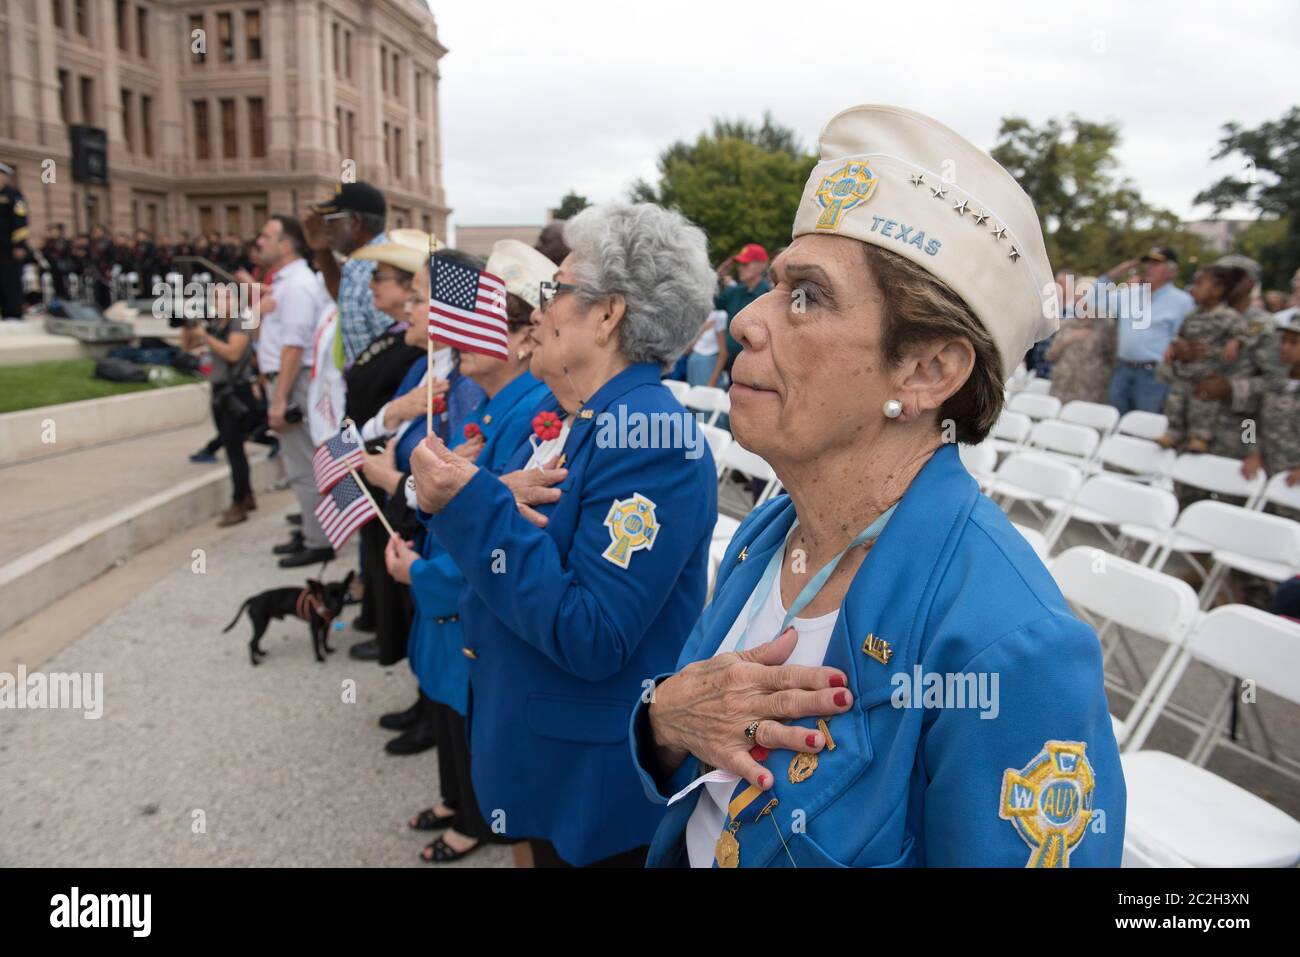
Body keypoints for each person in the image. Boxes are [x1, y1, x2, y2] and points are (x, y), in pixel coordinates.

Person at [631, 104, 1124, 868]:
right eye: (770, 287)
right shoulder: (775, 535)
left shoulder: (1008, 642)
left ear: (928, 369)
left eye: (806, 296)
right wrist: (662, 717)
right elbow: (702, 773)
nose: (745, 324)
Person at [409, 203, 719, 867]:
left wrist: (476, 506)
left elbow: (593, 632)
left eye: (556, 290)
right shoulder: (602, 416)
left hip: (595, 784)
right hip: (558, 756)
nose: (539, 309)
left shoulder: (648, 438)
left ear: (608, 313)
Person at [381, 240, 556, 863]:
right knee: (453, 716)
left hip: (467, 595)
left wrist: (426, 571)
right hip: (454, 593)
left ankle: (480, 818)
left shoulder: (538, 412)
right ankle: (461, 803)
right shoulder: (489, 405)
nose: (456, 335)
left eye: (482, 321)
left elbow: (509, 524)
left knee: (472, 723)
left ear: (520, 339)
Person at [339, 231, 431, 664]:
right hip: (373, 459)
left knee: (400, 560)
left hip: (393, 470)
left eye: (382, 276)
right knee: (380, 553)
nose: (372, 284)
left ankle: (393, 639)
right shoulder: (398, 338)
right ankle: (388, 635)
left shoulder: (413, 350)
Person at [252, 214, 335, 568]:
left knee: (304, 466)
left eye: (266, 236)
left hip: (294, 380)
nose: (259, 242)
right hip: (285, 377)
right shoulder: (283, 285)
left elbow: (294, 347)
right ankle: (310, 529)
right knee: (299, 463)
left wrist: (281, 398)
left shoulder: (298, 284)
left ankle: (319, 540)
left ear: (285, 245)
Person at [1191, 255, 1291, 462]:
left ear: (1248, 283)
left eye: (1228, 276)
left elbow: (1278, 382)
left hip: (1241, 431)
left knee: (1232, 490)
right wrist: (1178, 359)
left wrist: (1231, 387)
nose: (1220, 282)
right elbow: (1170, 374)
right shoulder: (1201, 317)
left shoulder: (1265, 327)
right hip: (1194, 427)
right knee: (1185, 490)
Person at [1155, 264, 1248, 453]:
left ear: (1218, 290)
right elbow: (1180, 336)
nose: (1193, 288)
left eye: (1199, 283)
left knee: (1203, 406)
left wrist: (1236, 342)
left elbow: (1242, 334)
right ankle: (1173, 432)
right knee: (1176, 402)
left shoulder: (1229, 317)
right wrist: (1173, 348)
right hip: (1185, 372)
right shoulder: (1192, 316)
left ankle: (1200, 436)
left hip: (1208, 375)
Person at [1093, 247, 1195, 414]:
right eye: (1147, 263)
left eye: (1156, 264)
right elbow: (1091, 303)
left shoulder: (1182, 302)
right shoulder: (1129, 295)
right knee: (1117, 424)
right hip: (1122, 369)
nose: (1148, 267)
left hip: (1154, 375)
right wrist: (1112, 275)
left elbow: (1183, 340)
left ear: (1171, 271)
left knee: (1146, 427)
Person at [301, 181, 392, 364]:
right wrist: (322, 250)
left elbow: (395, 346)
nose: (325, 229)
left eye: (330, 221)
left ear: (354, 222)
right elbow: (344, 298)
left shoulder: (380, 267)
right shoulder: (360, 264)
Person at [1241, 312, 1300, 508]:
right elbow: (1248, 422)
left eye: (1294, 343)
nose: (1285, 347)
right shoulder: (1272, 382)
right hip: (1261, 475)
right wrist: (1252, 452)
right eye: (1284, 341)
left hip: (1293, 483)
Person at [1046, 275, 1115, 405]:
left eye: (1085, 294)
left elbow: (1112, 359)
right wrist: (1067, 340)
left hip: (1090, 392)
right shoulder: (1067, 324)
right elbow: (1050, 356)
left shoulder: (1107, 327)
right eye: (1078, 294)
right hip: (1061, 388)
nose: (1080, 298)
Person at [714, 243, 772, 378]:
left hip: (755, 366)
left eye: (746, 264)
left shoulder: (768, 295)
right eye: (740, 264)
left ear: (761, 265)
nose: (740, 268)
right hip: (731, 363)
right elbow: (711, 302)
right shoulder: (735, 292)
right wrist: (717, 276)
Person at [0, 161, 30, 321]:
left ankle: (13, 314)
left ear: (5, 177)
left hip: (9, 248)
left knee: (10, 281)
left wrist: (19, 245)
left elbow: (21, 221)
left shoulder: (13, 195)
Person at [687, 308, 730, 388]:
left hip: (708, 368)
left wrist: (712, 381)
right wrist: (702, 329)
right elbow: (688, 349)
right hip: (693, 367)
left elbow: (723, 353)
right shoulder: (698, 313)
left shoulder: (720, 315)